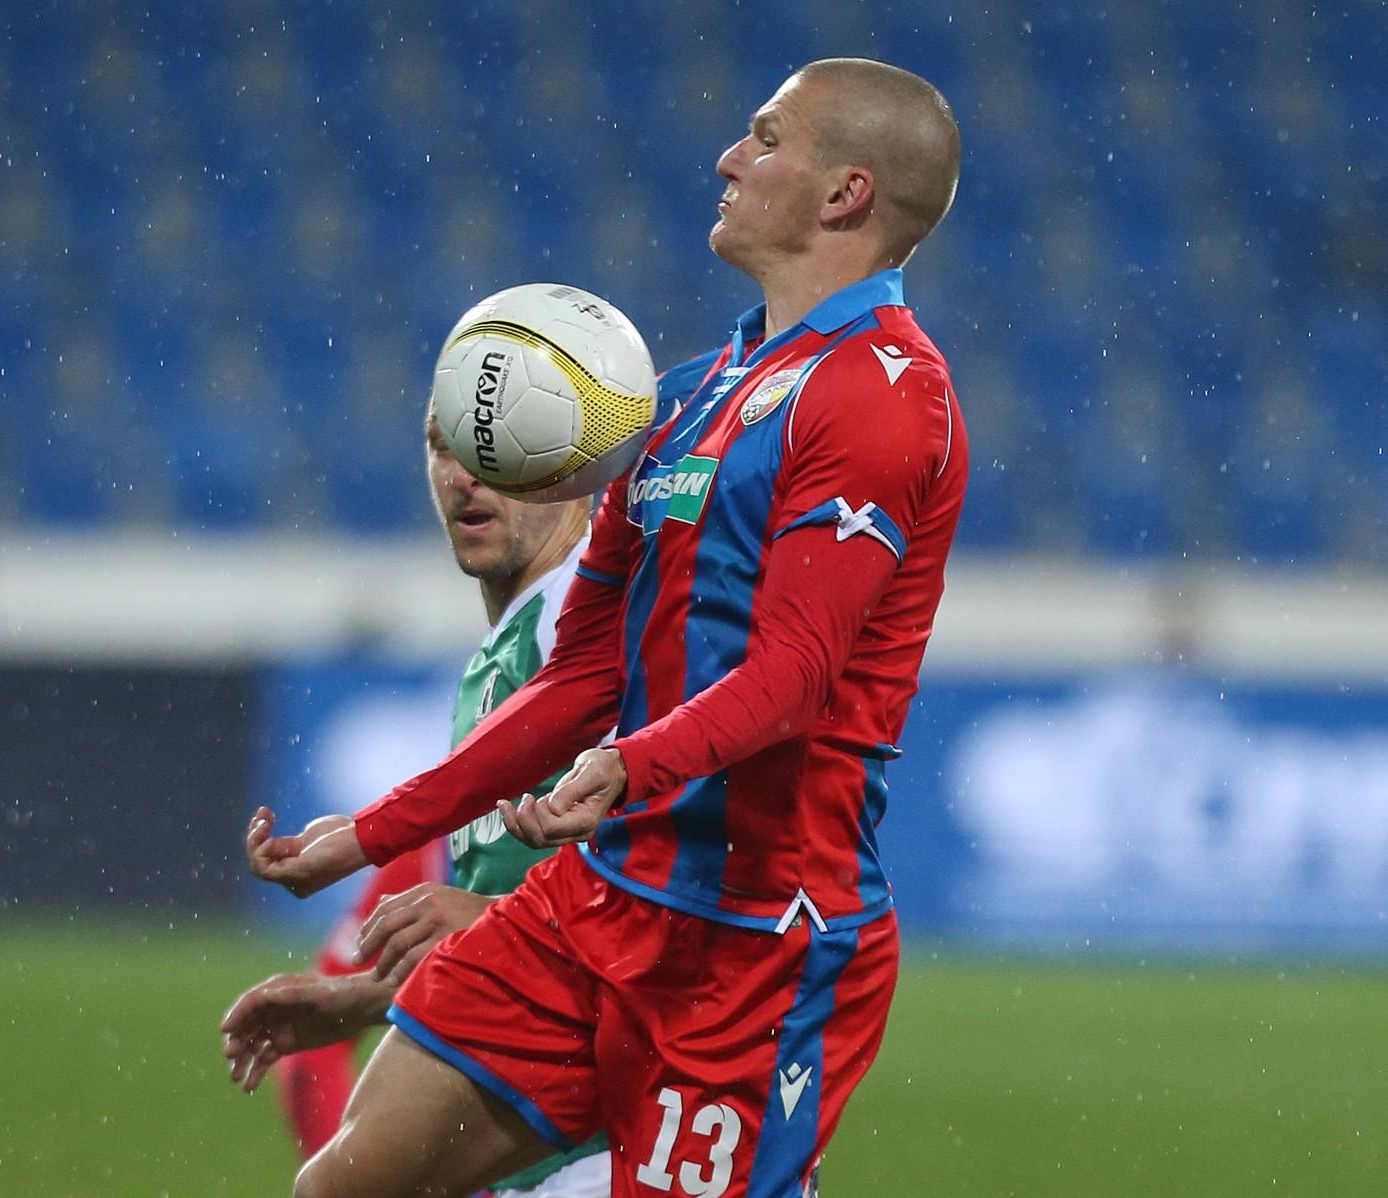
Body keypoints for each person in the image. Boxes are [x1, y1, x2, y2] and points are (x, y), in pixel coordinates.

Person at [245, 57, 968, 1198]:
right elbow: (585, 666)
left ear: (846, 194)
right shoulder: (689, 392)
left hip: (750, 941)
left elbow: (795, 676)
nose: (731, 158)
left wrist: (629, 763)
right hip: (600, 902)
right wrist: (375, 834)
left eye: (766, 138)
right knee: (342, 1185)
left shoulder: (883, 394)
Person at [223, 410, 613, 1198]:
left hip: (611, 1152)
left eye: (496, 446)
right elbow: (533, 963)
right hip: (533, 1153)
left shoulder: (587, 613)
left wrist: (486, 920)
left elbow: (686, 875)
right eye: (445, 444)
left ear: (576, 467)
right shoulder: (508, 649)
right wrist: (364, 1001)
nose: (464, 471)